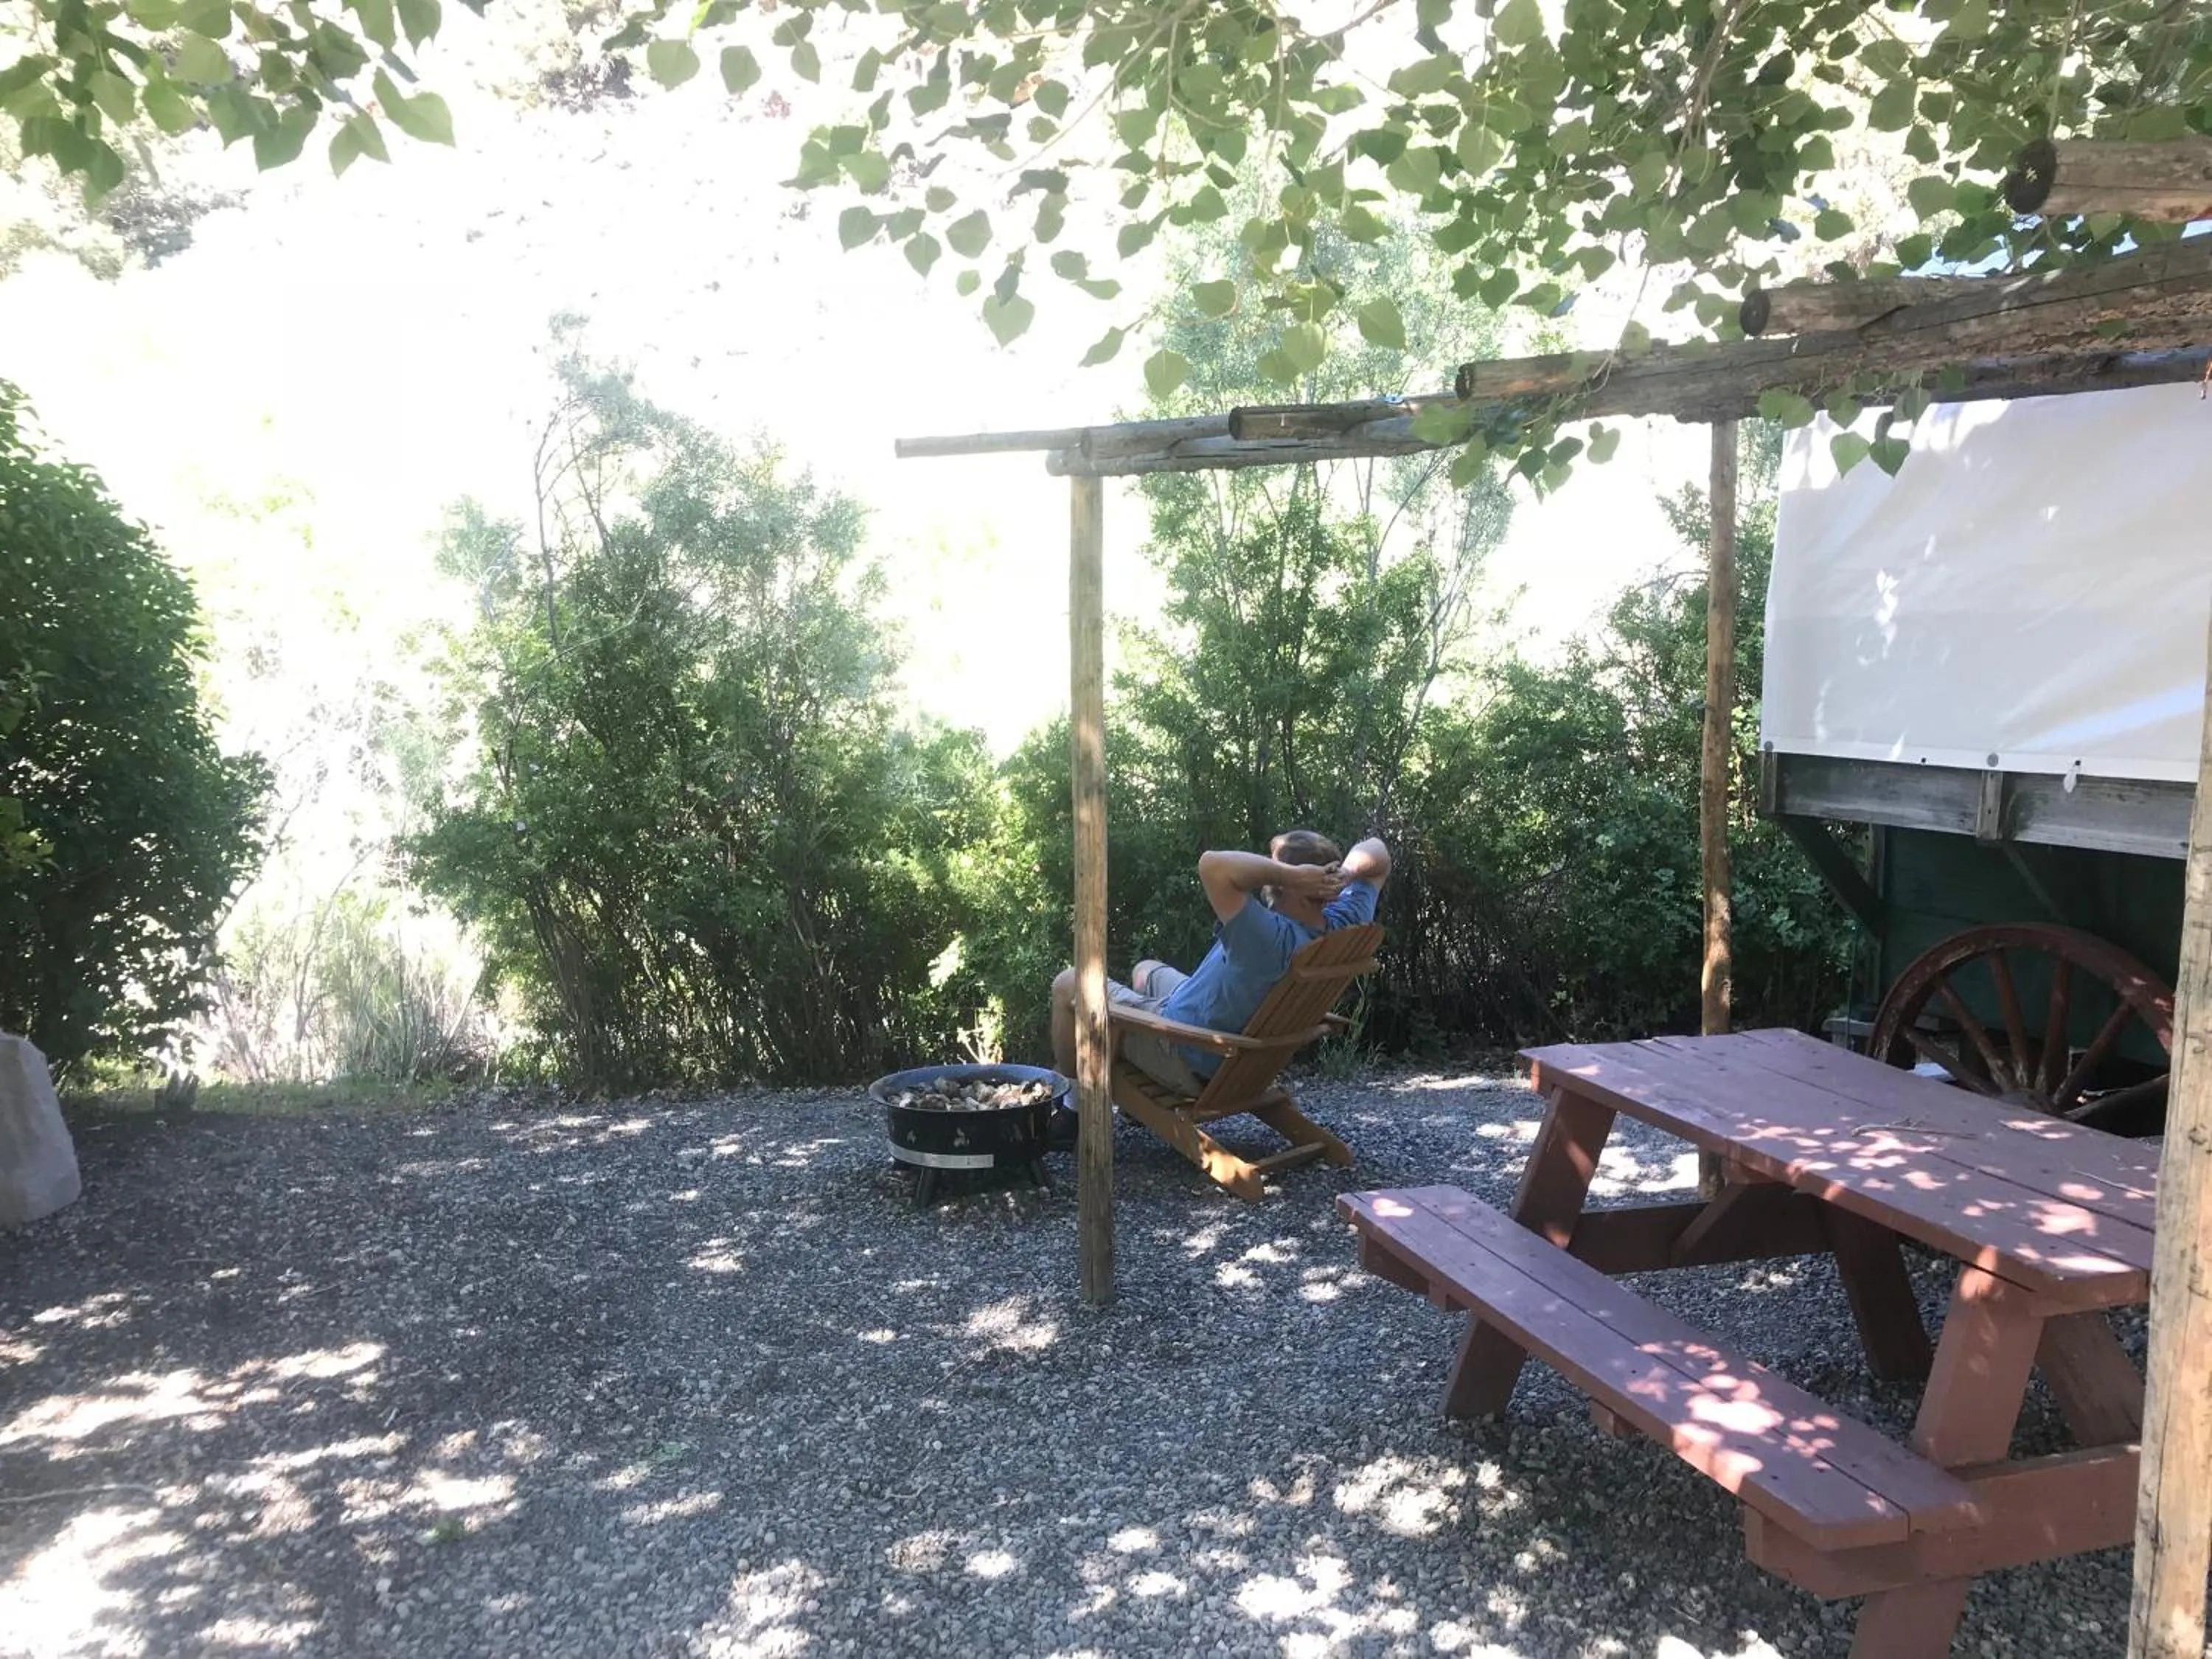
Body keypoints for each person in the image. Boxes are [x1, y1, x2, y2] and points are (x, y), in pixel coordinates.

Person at [1048, 830, 1391, 1119]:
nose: (1266, 875)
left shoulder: (1267, 938)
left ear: (1292, 883)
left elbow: (1212, 865)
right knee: (1145, 969)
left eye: (1273, 869)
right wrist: (1344, 874)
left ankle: (1072, 1108)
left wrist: (1293, 875)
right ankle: (1141, 1020)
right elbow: (1378, 852)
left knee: (1068, 984)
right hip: (1232, 1044)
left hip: (1187, 1050)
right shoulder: (1344, 922)